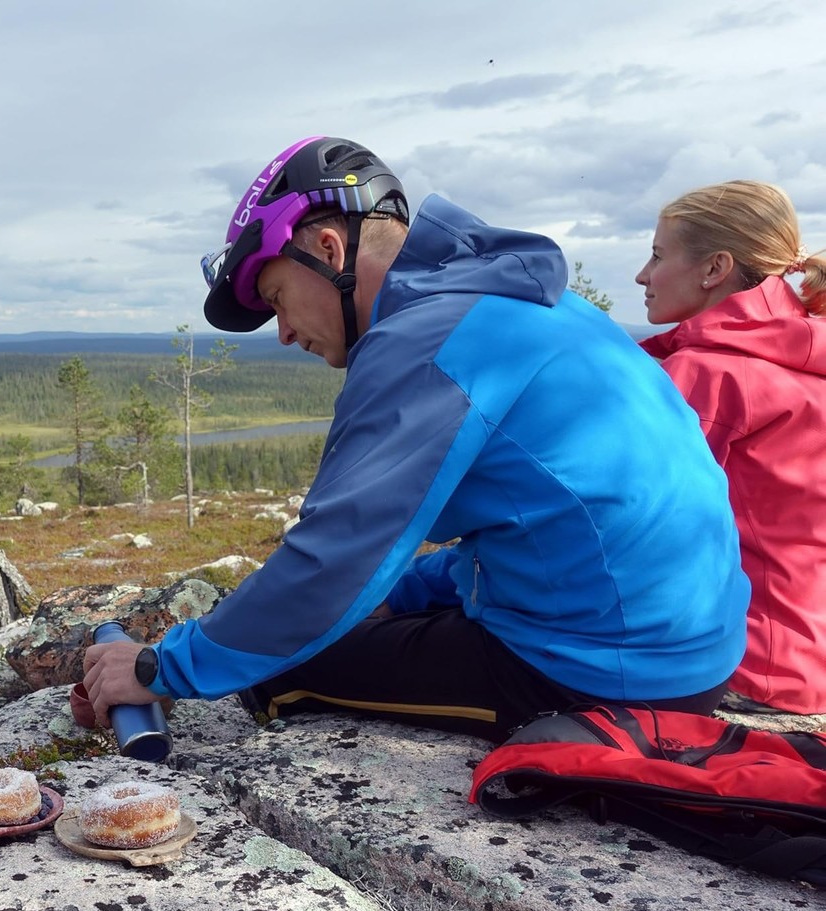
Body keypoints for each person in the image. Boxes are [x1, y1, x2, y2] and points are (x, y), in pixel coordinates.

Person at [83, 136, 750, 743]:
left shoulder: (421, 343)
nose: (283, 333)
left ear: (327, 250)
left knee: (277, 672)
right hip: (678, 647)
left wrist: (156, 667)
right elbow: (538, 524)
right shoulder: (508, 300)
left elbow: (330, 563)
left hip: (607, 678)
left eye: (278, 298)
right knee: (339, 622)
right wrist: (399, 593)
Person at [636, 180, 826, 714]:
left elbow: (635, 525)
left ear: (715, 268)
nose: (642, 276)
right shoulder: (805, 358)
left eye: (656, 256)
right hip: (805, 664)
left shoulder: (708, 374)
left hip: (739, 662)